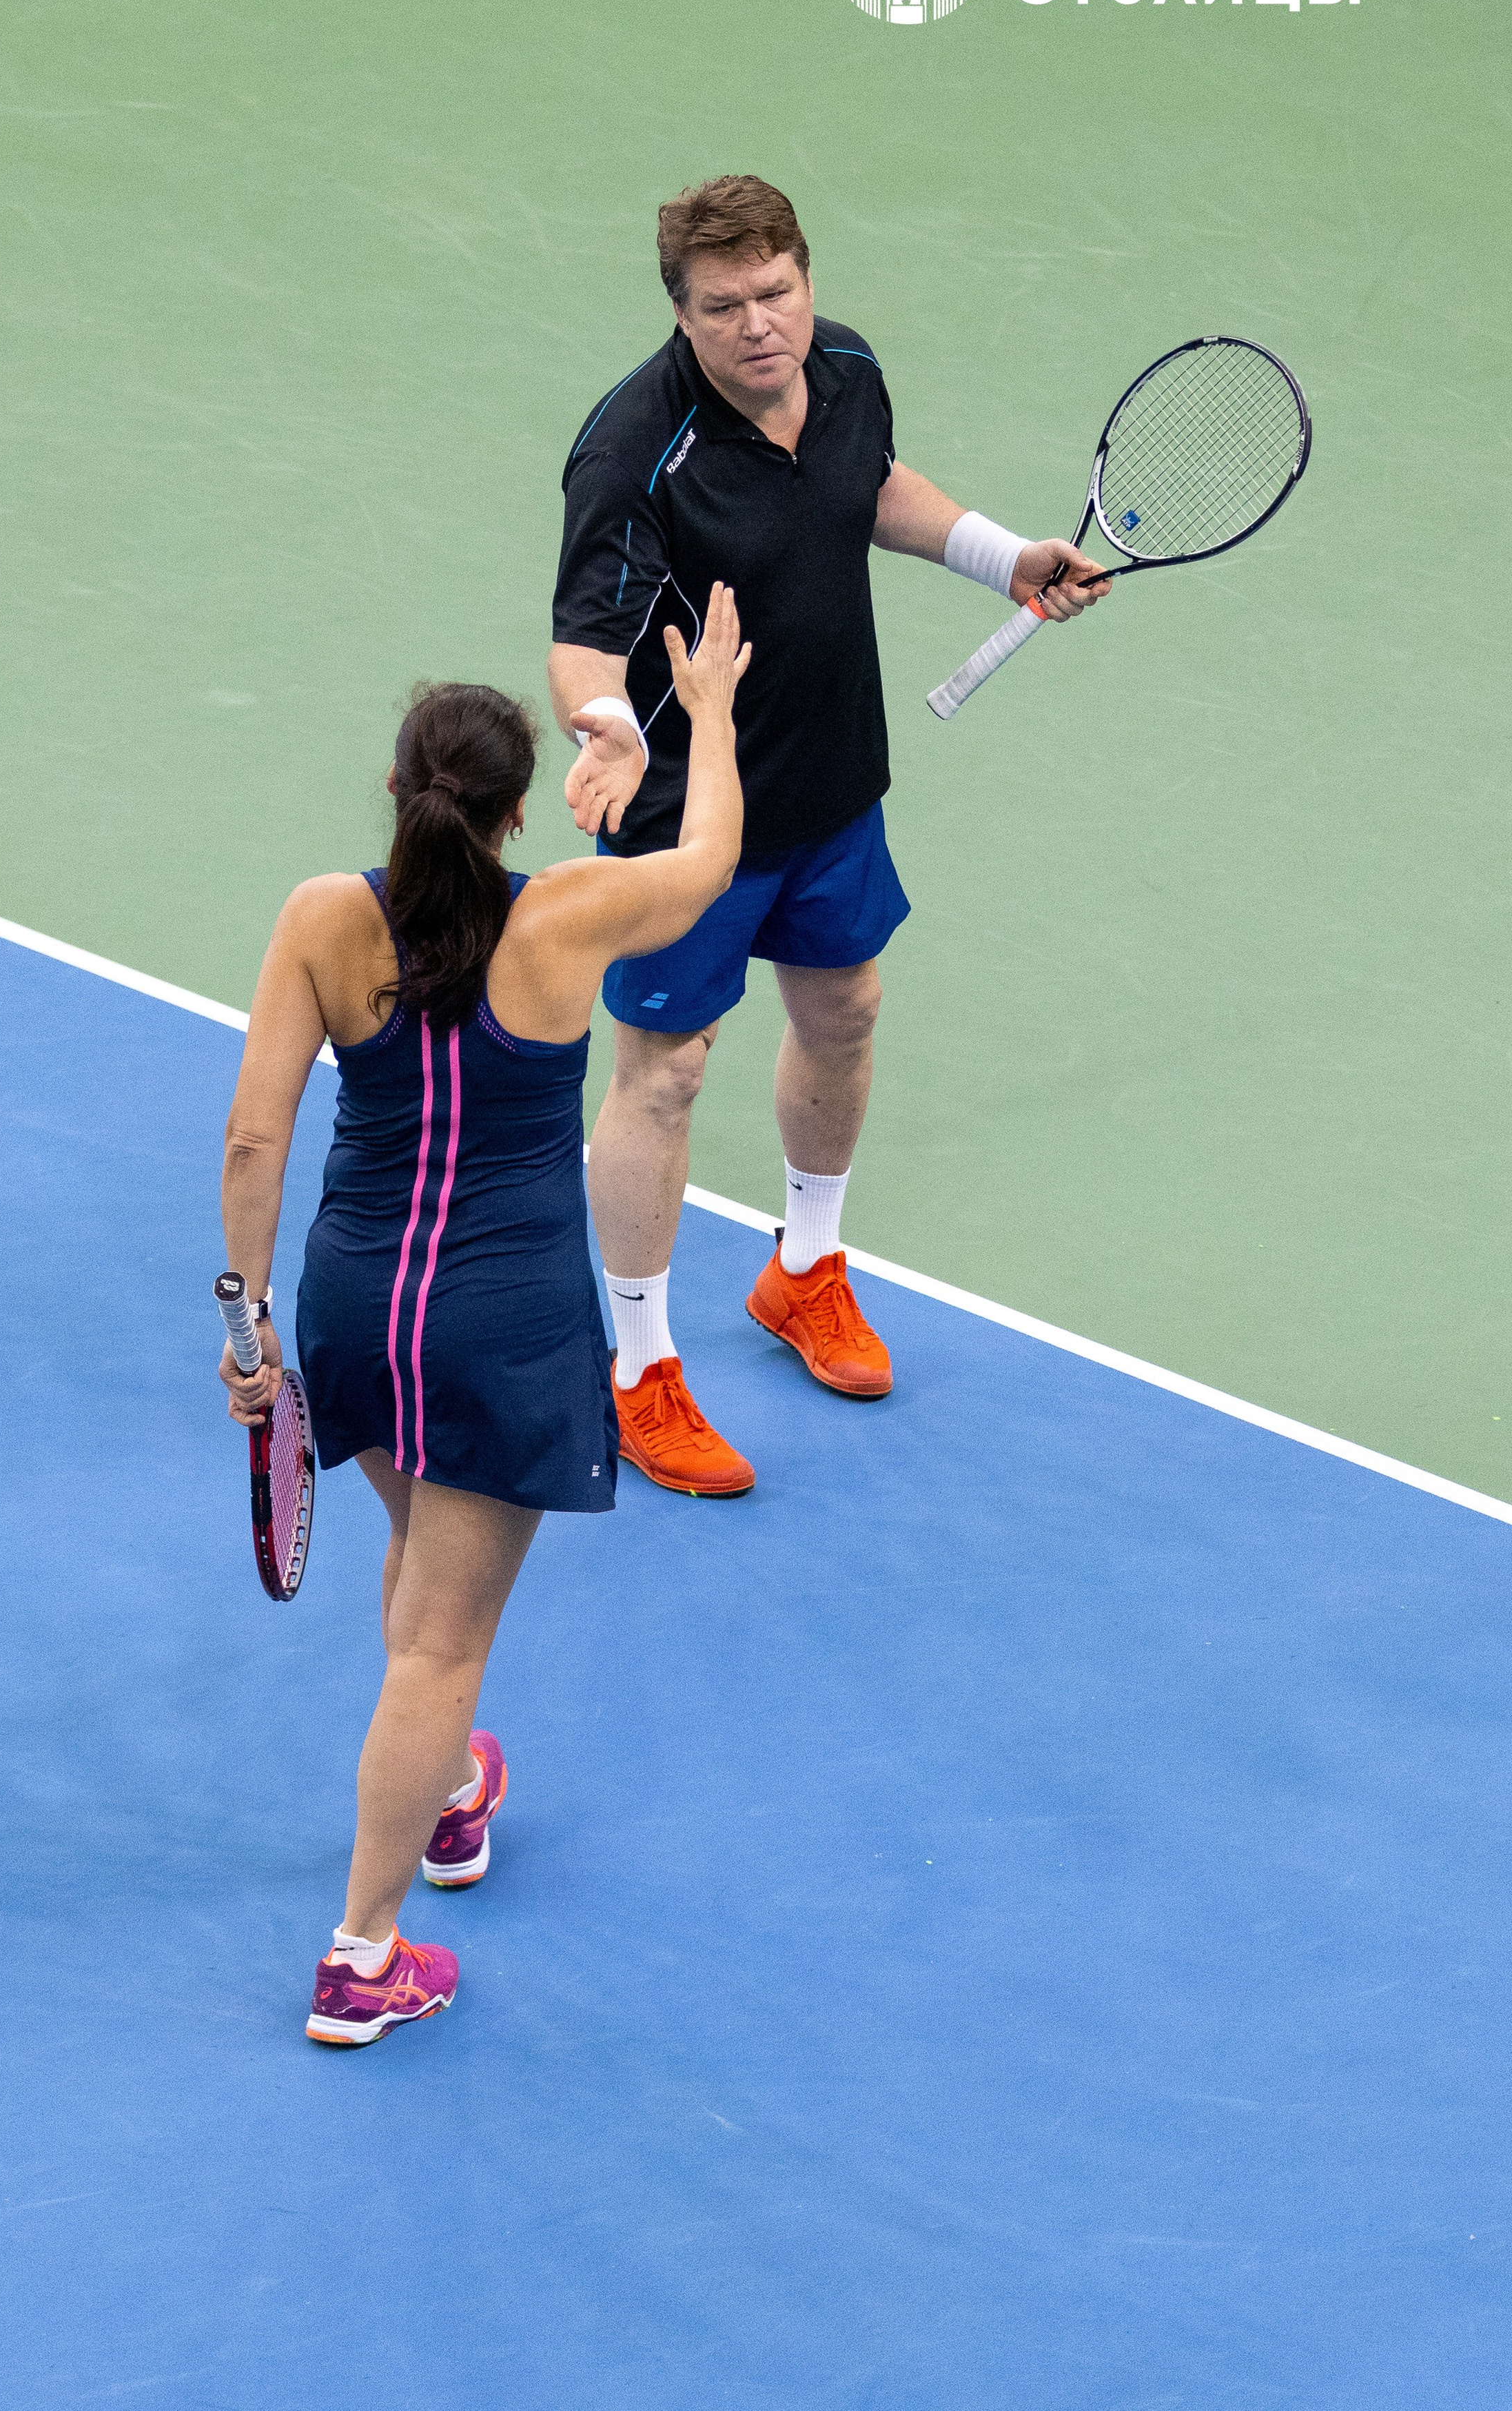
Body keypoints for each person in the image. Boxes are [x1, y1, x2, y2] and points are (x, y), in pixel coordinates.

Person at [217, 586, 749, 2045]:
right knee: (438, 1647)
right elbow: (710, 857)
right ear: (518, 815)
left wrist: (247, 1328)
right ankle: (359, 1952)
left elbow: (255, 1141)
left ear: (396, 794)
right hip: (496, 1320)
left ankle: (448, 1798)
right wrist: (699, 716)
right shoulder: (573, 915)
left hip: (349, 1306)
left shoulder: (324, 919)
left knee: (414, 1547)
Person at [549, 174, 1110, 1498]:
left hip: (833, 779)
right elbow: (585, 633)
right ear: (681, 313)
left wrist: (998, 556)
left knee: (845, 1009)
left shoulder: (844, 367)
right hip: (694, 817)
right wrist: (605, 725)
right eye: (726, 307)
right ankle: (637, 1369)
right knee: (666, 1073)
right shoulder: (635, 450)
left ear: (808, 276)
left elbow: (870, 488)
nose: (762, 327)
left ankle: (806, 1269)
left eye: (779, 293)